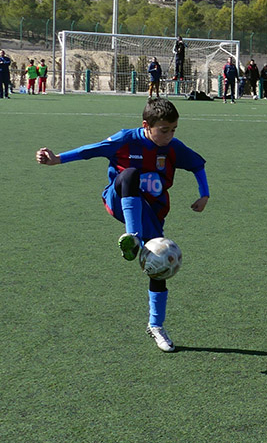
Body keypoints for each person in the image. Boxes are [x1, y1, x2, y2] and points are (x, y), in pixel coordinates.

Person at [35, 98, 209, 352]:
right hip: (117, 198)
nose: (169, 135)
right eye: (164, 130)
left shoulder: (173, 148)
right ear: (146, 125)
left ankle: (156, 326)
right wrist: (56, 159)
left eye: (173, 130)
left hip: (151, 214)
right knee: (129, 174)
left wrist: (204, 194)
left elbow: (198, 165)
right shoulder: (127, 139)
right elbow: (90, 150)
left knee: (158, 268)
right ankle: (132, 235)